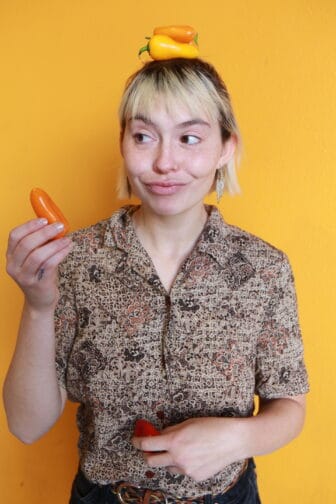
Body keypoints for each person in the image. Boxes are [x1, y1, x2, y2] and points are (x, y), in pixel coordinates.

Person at [4, 56, 309, 504]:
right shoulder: (75, 260)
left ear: (226, 147)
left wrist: (234, 440)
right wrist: (37, 304)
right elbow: (26, 426)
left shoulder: (264, 268)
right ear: (123, 143)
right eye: (144, 137)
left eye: (189, 138)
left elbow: (291, 407)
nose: (165, 162)